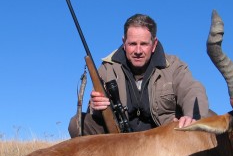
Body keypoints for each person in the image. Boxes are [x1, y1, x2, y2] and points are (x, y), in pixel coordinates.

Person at [68, 14, 209, 137]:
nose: (138, 50)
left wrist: (192, 117)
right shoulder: (107, 68)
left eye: (144, 44)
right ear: (124, 43)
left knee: (208, 115)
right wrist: (95, 107)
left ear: (154, 45)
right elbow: (95, 109)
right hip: (120, 139)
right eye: (132, 44)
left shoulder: (173, 65)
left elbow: (192, 89)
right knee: (77, 124)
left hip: (162, 138)